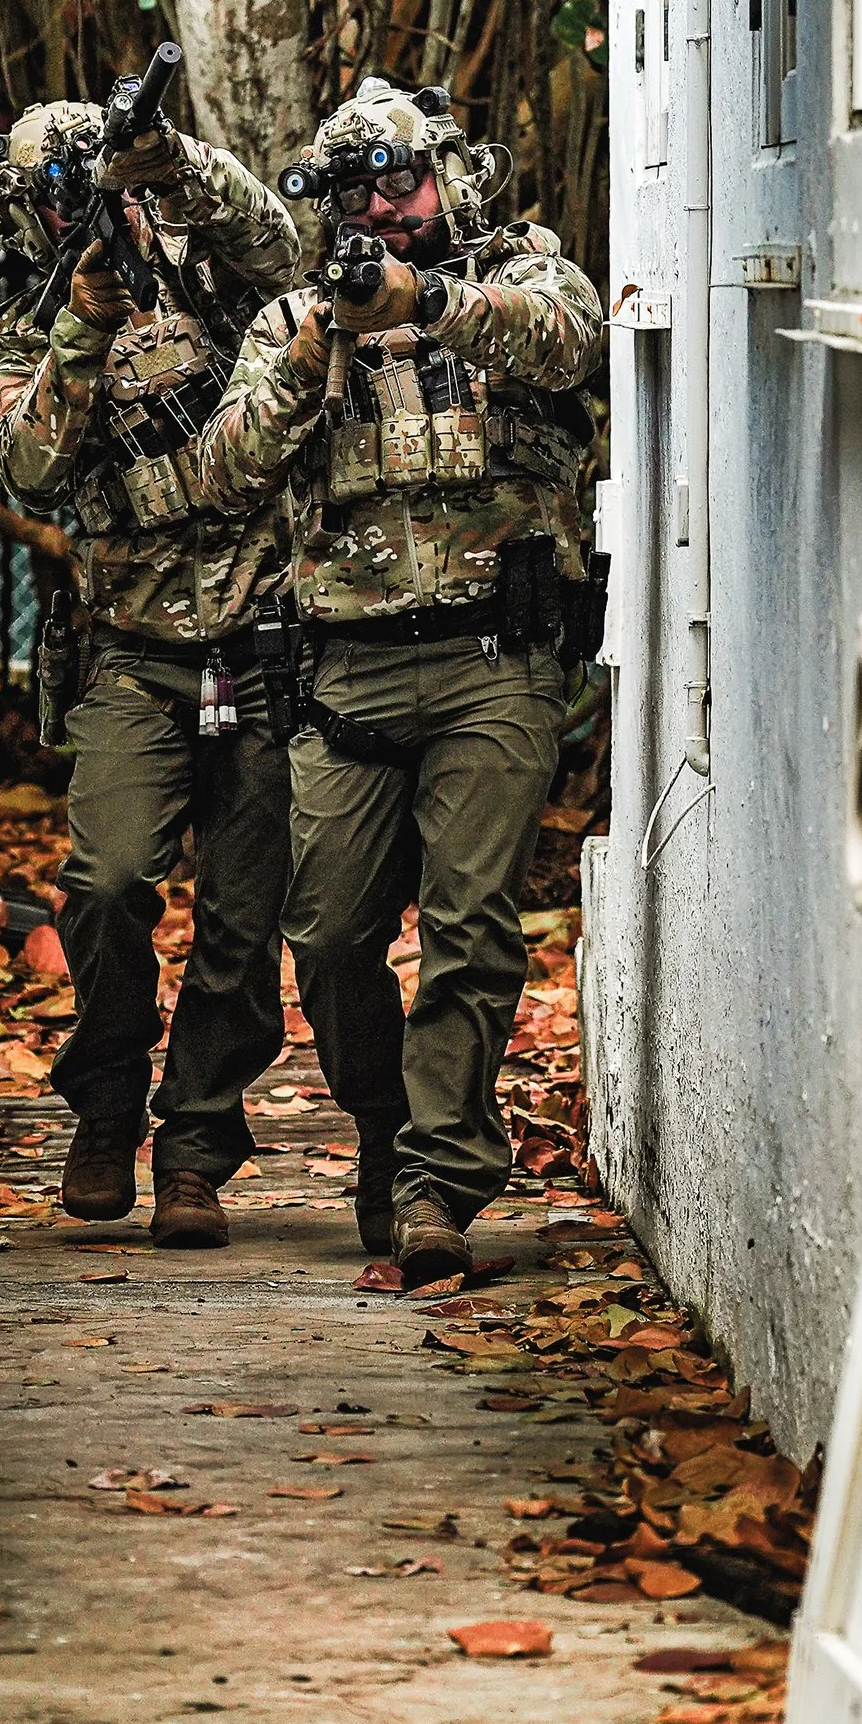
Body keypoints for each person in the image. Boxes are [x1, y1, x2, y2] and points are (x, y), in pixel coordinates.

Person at [175, 79, 606, 1288]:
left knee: (469, 928)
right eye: (357, 192)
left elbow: (569, 341)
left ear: (449, 176)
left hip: (494, 666)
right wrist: (318, 345)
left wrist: (434, 302)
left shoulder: (524, 271)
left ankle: (438, 1184)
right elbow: (221, 469)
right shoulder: (296, 320)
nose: (383, 210)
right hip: (347, 673)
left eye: (402, 182)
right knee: (327, 943)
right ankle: (385, 1131)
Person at [0, 87, 301, 1248]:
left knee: (242, 918)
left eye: (98, 186)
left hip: (264, 640)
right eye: (67, 197)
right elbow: (25, 465)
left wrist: (174, 165)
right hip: (129, 651)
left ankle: (198, 1145)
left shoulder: (212, 273)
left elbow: (283, 243)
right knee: (107, 886)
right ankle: (107, 1105)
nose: (90, 214)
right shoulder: (28, 328)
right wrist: (82, 325)